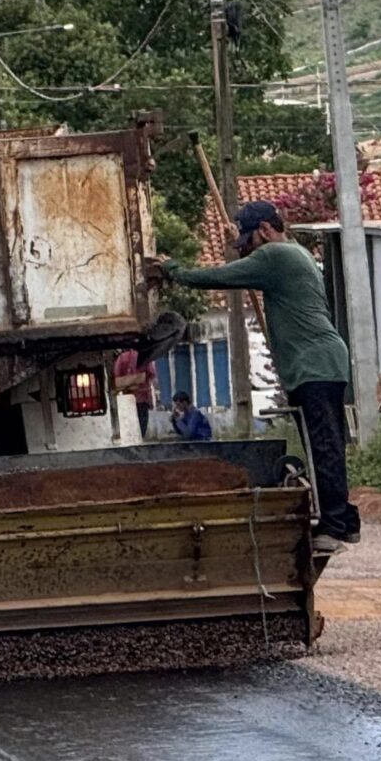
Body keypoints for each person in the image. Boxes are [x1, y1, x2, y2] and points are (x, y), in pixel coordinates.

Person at [158, 200, 361, 552]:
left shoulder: (275, 257)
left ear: (266, 229)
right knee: (324, 447)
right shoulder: (294, 255)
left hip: (314, 366)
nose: (247, 250)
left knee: (323, 447)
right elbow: (248, 266)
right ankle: (345, 521)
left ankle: (334, 528)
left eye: (249, 241)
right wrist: (240, 242)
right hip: (319, 363)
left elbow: (215, 277)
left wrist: (172, 269)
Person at [112, 347, 156, 436]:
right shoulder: (145, 358)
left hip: (128, 399)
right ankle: (141, 439)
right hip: (142, 398)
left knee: (130, 426)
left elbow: (116, 375)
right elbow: (152, 374)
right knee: (142, 425)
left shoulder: (121, 358)